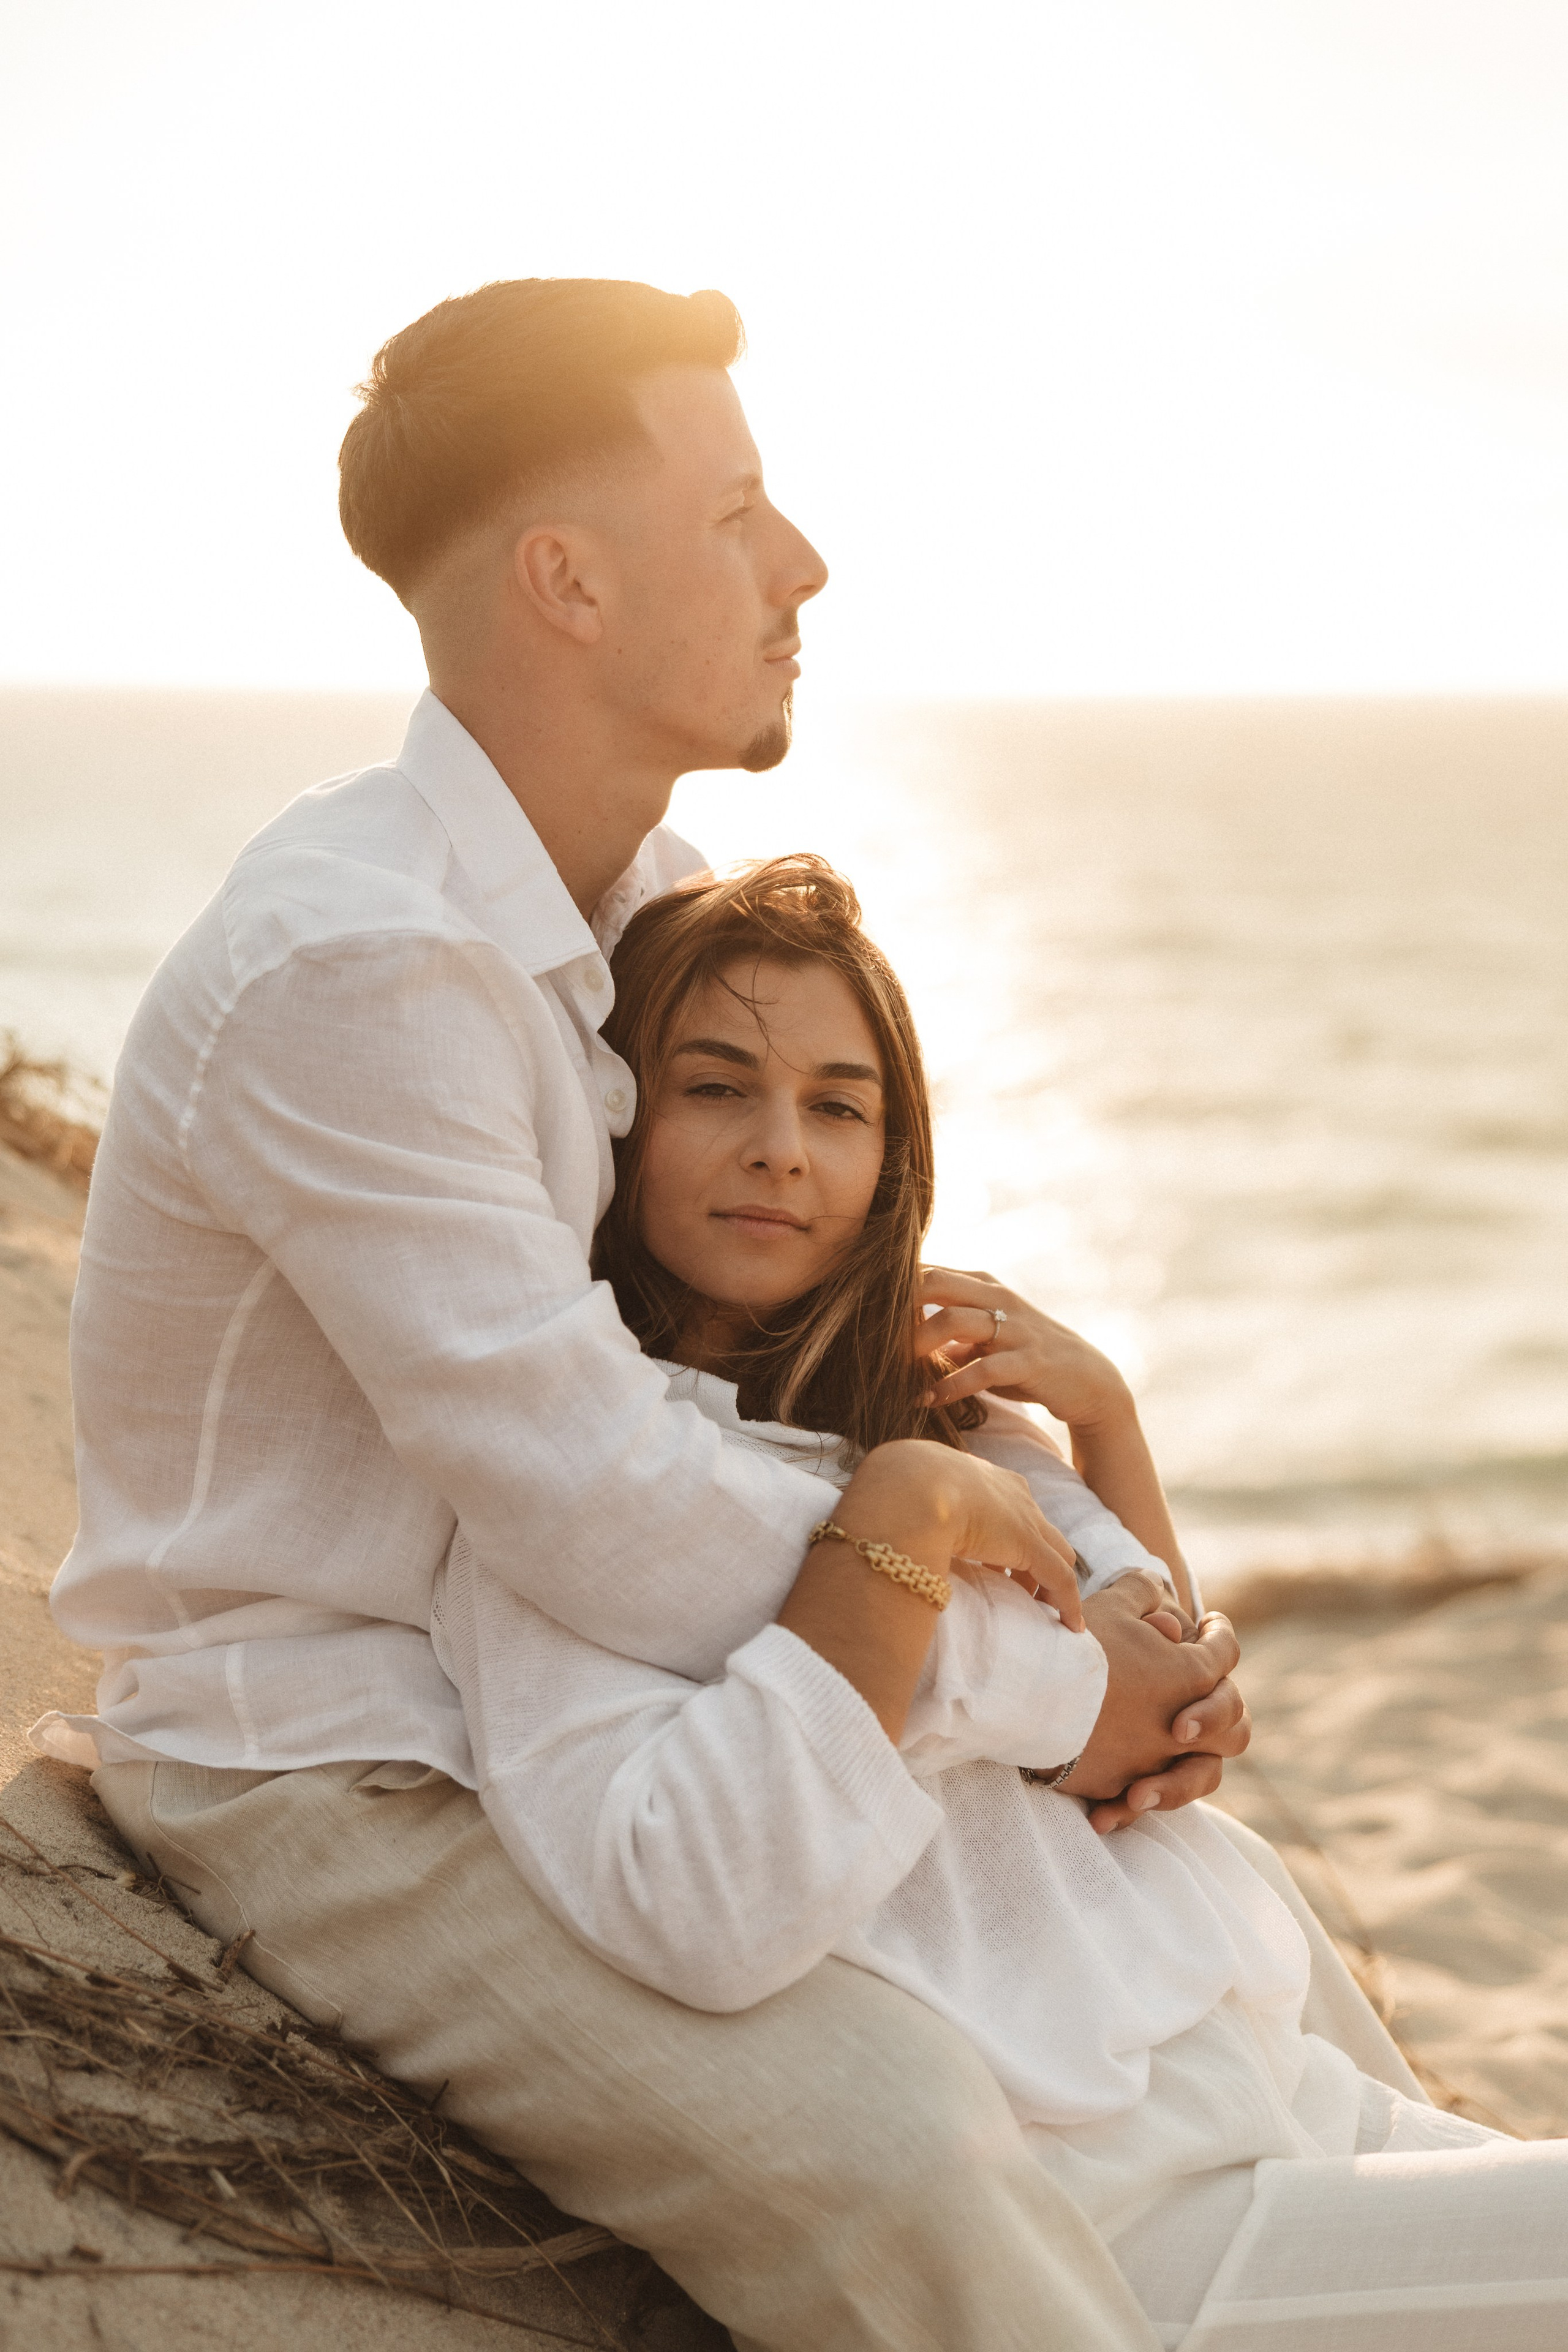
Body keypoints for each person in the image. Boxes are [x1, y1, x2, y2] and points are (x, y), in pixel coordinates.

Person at [37, 276, 1260, 2352]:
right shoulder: (360, 965)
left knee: (1195, 1959)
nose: (805, 562)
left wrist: (1115, 1601)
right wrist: (1064, 1698)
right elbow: (605, 1506)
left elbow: (701, 1436)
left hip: (611, 1707)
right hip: (351, 1758)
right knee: (898, 2147)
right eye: (739, 512)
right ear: (567, 580)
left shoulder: (640, 903)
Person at [438, 853, 1568, 2351]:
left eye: (837, 1106)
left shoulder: (950, 1424)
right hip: (1131, 2215)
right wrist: (905, 1543)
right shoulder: (591, 1484)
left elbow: (1170, 1690)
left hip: (1289, 2102)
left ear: (890, 1158)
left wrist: (1105, 1420)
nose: (781, 1149)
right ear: (620, 1116)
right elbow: (695, 1889)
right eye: (717, 1088)